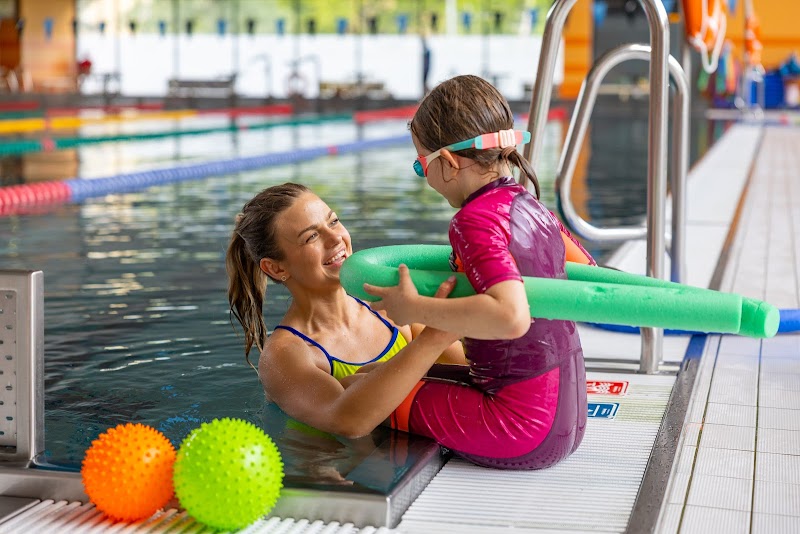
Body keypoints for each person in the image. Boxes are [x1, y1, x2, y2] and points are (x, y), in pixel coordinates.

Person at [362, 74, 596, 470]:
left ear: (449, 164)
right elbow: (587, 273)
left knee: (365, 395)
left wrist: (414, 308)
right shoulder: (535, 208)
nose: (426, 178)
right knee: (378, 374)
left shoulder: (474, 221)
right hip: (568, 412)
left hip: (520, 428)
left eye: (422, 166)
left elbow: (509, 316)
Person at [226, 183, 466, 439]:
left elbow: (467, 374)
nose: (335, 238)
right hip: (346, 473)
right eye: (311, 237)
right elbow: (347, 421)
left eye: (333, 221)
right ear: (275, 268)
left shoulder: (390, 309)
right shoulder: (286, 356)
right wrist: (434, 337)